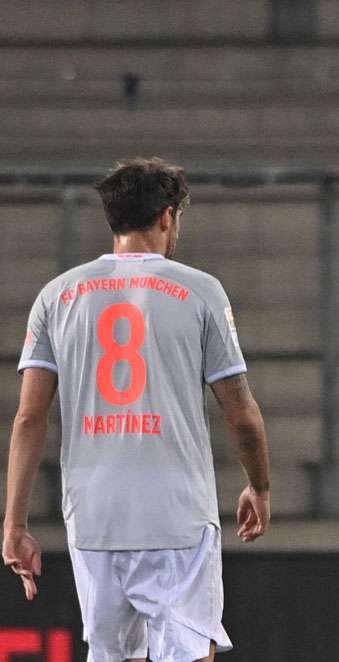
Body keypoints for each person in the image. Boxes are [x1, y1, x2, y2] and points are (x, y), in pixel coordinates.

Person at [3, 158, 272, 662]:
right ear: (168, 217)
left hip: (93, 515)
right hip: (175, 515)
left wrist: (13, 524)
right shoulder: (200, 291)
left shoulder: (57, 295)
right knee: (190, 654)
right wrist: (259, 485)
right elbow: (242, 416)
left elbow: (29, 419)